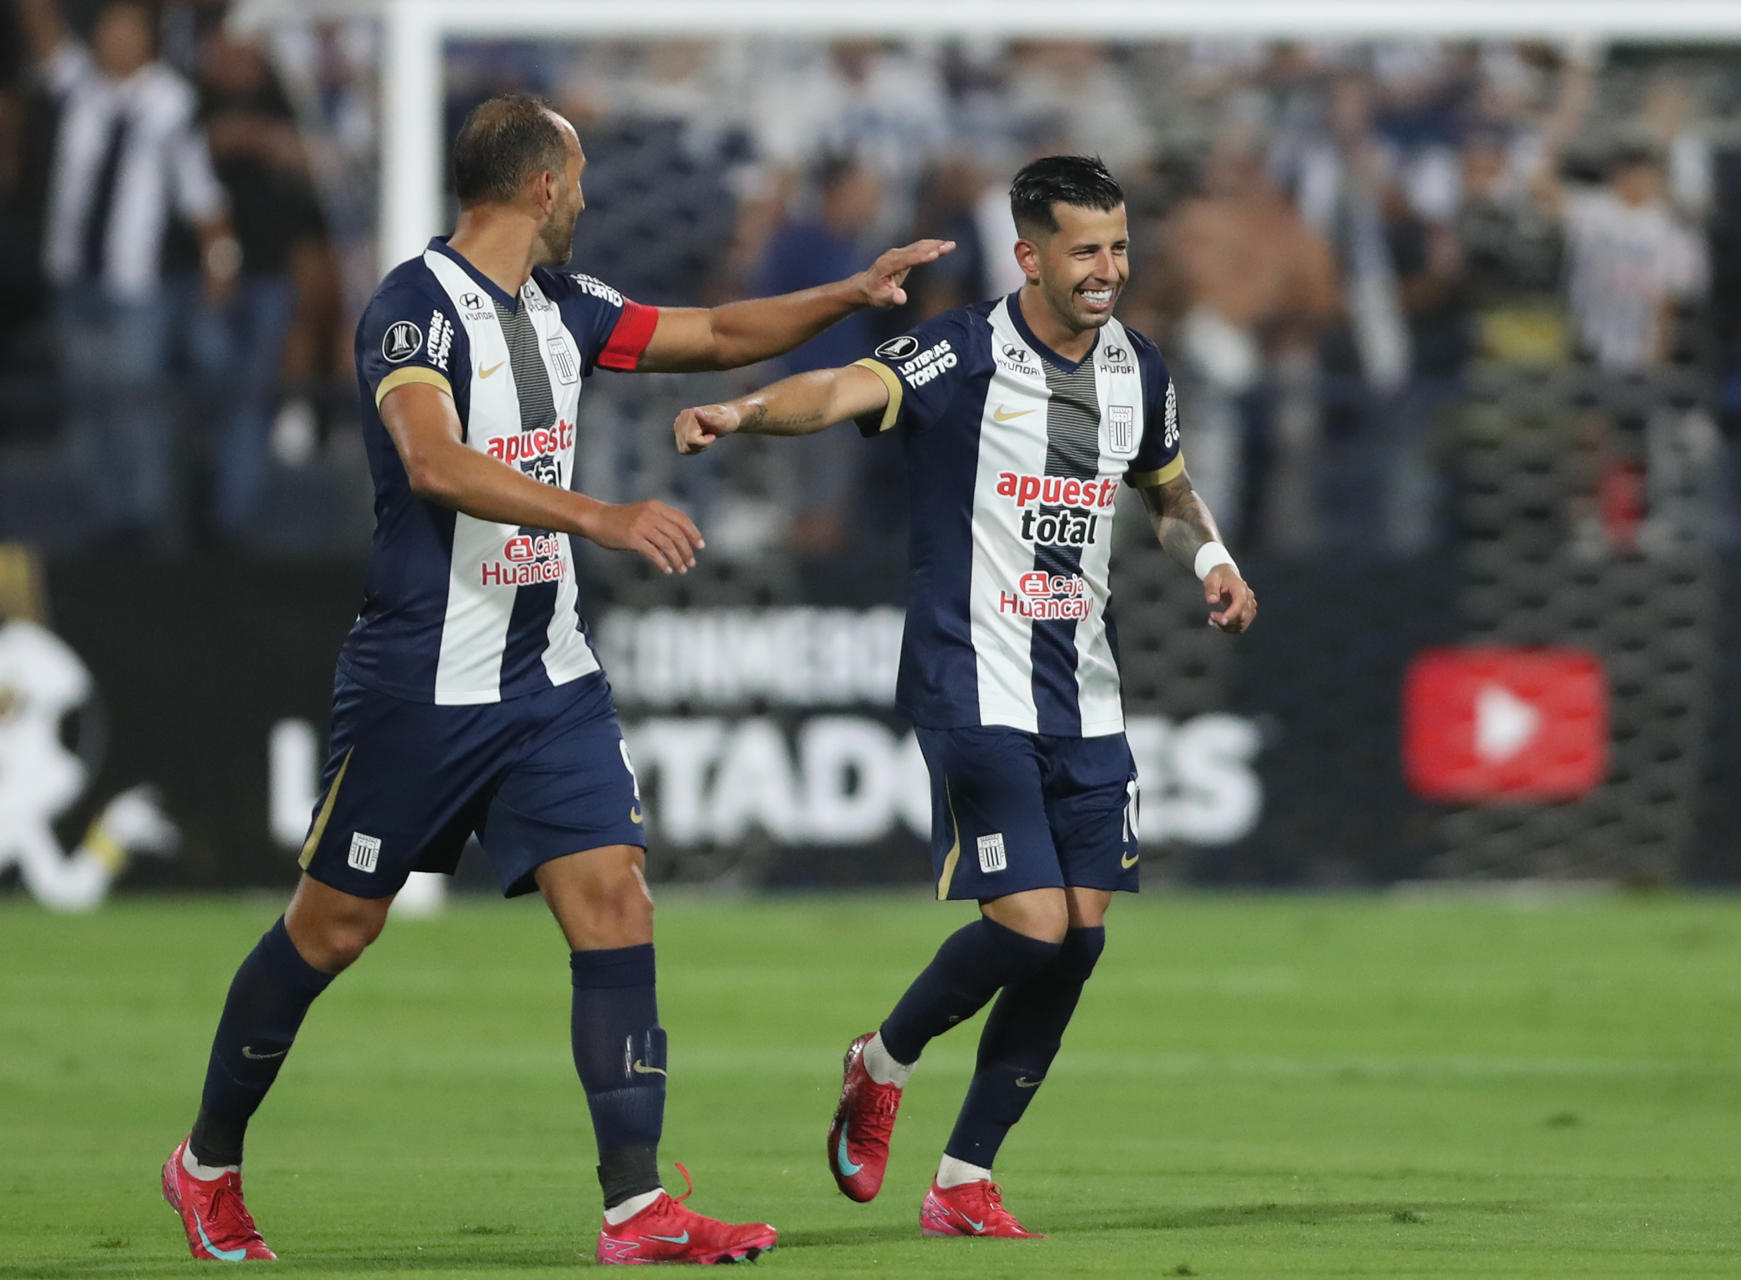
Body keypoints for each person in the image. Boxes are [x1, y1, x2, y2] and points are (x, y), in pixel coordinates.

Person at [158, 93, 949, 1267]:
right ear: (540, 187)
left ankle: (636, 1207)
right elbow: (432, 458)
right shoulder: (413, 310)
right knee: (331, 930)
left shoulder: (564, 307)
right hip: (424, 679)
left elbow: (721, 334)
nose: (583, 197)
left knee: (615, 896)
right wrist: (602, 515)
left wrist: (849, 294)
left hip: (546, 676)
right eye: (575, 177)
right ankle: (205, 1162)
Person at [672, 155, 1257, 1238]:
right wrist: (745, 409)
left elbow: (1165, 486)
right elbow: (846, 388)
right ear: (1029, 254)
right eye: (1085, 249)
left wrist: (1208, 555)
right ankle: (882, 1056)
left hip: (1083, 686)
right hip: (970, 674)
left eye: (1119, 245)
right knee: (1030, 926)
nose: (1108, 269)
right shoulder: (963, 348)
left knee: (1079, 937)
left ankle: (962, 1179)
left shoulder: (1143, 368)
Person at [16, 0, 235, 542]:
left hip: (134, 287)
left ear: (149, 38)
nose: (114, 38)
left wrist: (219, 266)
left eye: (127, 28)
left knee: (136, 408)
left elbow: (201, 196)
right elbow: (43, 34)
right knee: (86, 407)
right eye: (109, 27)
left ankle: (146, 528)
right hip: (74, 280)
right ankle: (102, 523)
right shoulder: (83, 88)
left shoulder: (169, 102)